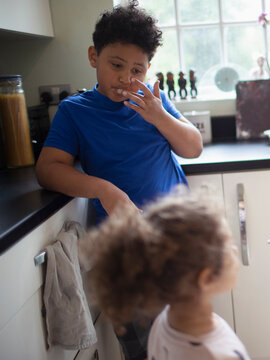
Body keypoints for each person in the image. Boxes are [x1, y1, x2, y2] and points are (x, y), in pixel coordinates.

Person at [35, 1, 203, 359]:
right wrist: (104, 190)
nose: (127, 78)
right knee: (143, 346)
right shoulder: (75, 111)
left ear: (148, 70)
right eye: (116, 65)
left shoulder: (153, 100)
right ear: (94, 56)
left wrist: (160, 117)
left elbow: (193, 148)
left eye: (137, 69)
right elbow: (47, 168)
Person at [81, 187, 251, 360]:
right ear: (205, 278)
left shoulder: (164, 323)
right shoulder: (218, 355)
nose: (235, 251)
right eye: (228, 246)